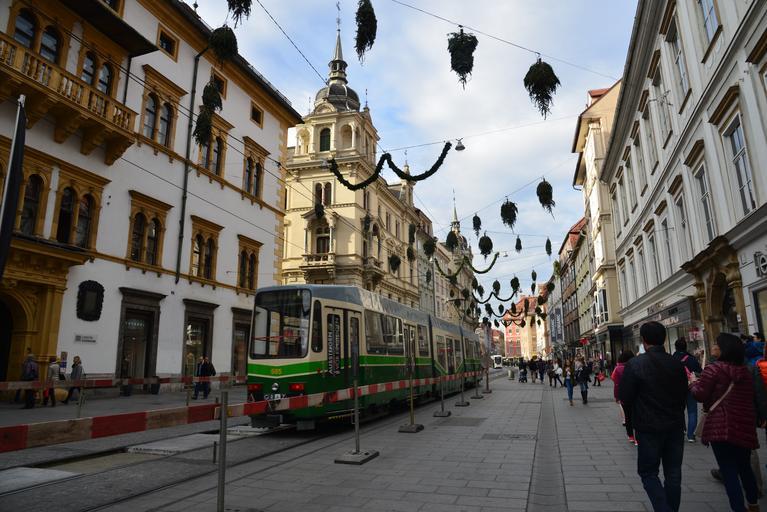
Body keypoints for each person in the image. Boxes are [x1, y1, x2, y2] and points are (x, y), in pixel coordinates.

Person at [619, 321, 688, 512]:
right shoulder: (676, 363)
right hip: (675, 425)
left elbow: (625, 397)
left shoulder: (635, 364)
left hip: (648, 427)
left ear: (643, 340)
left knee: (648, 472)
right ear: (664, 339)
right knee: (673, 474)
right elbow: (684, 392)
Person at [691, 333, 763, 512]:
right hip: (744, 424)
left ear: (724, 349)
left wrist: (692, 384)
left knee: (729, 471)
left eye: (716, 344)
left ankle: (738, 508)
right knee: (745, 467)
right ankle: (753, 504)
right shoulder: (745, 371)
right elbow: (754, 397)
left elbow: (700, 394)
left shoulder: (713, 369)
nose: (713, 346)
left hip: (720, 425)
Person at [672, 338, 703, 443]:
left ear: (675, 347)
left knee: (678, 411)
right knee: (692, 411)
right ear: (686, 347)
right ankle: (690, 435)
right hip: (691, 387)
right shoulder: (692, 359)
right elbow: (700, 373)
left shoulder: (672, 359)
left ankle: (680, 431)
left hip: (677, 389)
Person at [612, 350, 636, 444]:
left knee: (627, 416)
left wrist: (617, 397)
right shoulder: (635, 366)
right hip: (635, 395)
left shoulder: (618, 369)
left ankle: (630, 436)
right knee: (636, 415)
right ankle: (637, 437)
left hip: (624, 395)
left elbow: (616, 384)